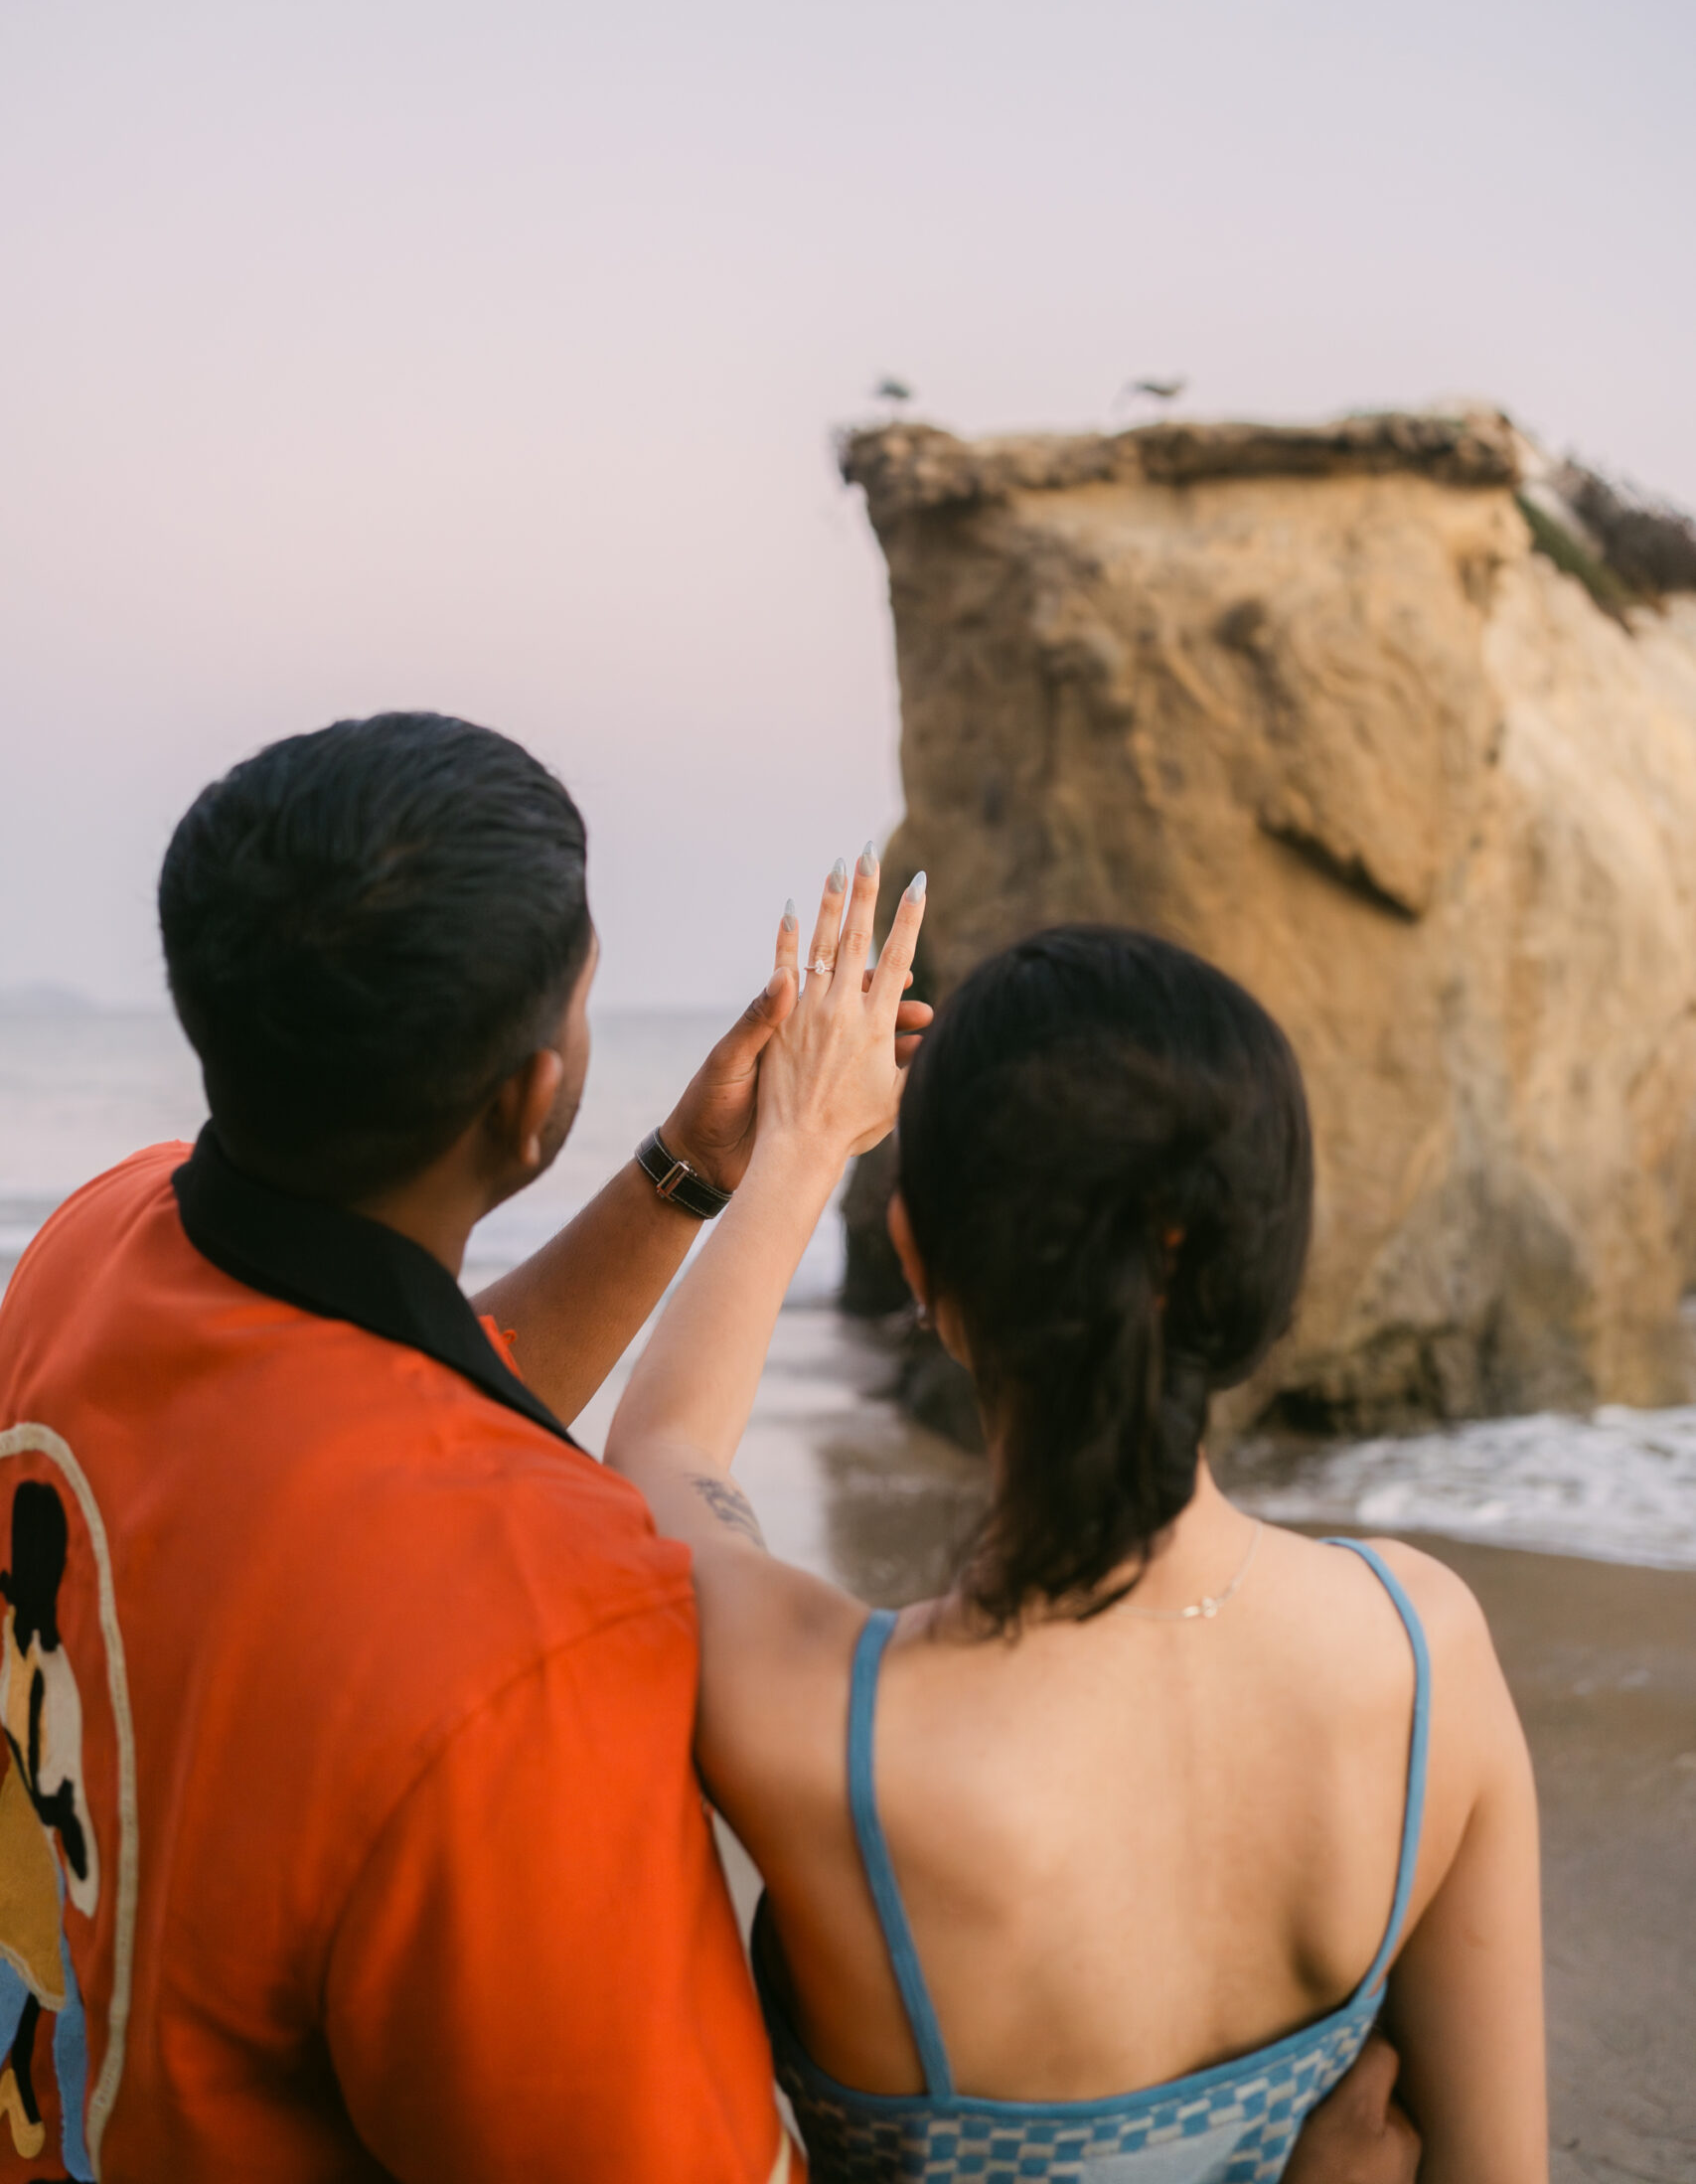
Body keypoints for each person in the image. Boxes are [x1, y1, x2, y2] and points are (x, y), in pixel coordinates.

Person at [0, 710, 1419, 2181]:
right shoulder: (535, 1643)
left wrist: (698, 1174)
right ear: (538, 1090)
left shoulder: (97, 1248)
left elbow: (379, 1397)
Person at [603, 893, 1546, 2182]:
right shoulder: (1426, 1656)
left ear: (913, 1257)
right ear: (1258, 1269)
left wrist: (803, 1142)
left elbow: (661, 1455)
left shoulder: (838, 1738)